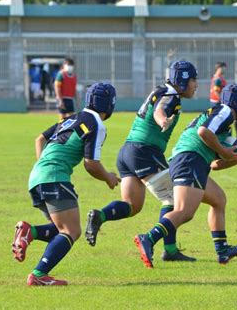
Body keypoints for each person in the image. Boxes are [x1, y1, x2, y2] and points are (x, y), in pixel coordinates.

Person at [85, 61, 198, 262]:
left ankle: (100, 216)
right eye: (193, 79)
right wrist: (162, 119)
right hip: (145, 152)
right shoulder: (170, 95)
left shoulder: (162, 90)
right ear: (182, 81)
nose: (196, 84)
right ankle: (169, 250)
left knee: (132, 205)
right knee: (175, 199)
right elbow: (159, 110)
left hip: (128, 152)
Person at [12, 83, 119, 286]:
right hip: (54, 176)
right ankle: (38, 274)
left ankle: (29, 232)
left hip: (37, 176)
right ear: (109, 104)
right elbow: (91, 164)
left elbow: (39, 139)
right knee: (71, 231)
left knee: (59, 228)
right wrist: (108, 178)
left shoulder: (70, 118)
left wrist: (42, 165)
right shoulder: (96, 123)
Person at [134, 84, 237, 269]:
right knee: (184, 212)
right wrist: (225, 151)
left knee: (218, 199)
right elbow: (203, 132)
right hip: (190, 159)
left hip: (192, 160)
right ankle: (148, 238)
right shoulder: (225, 111)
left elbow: (214, 165)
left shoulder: (223, 121)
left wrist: (235, 158)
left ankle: (222, 251)